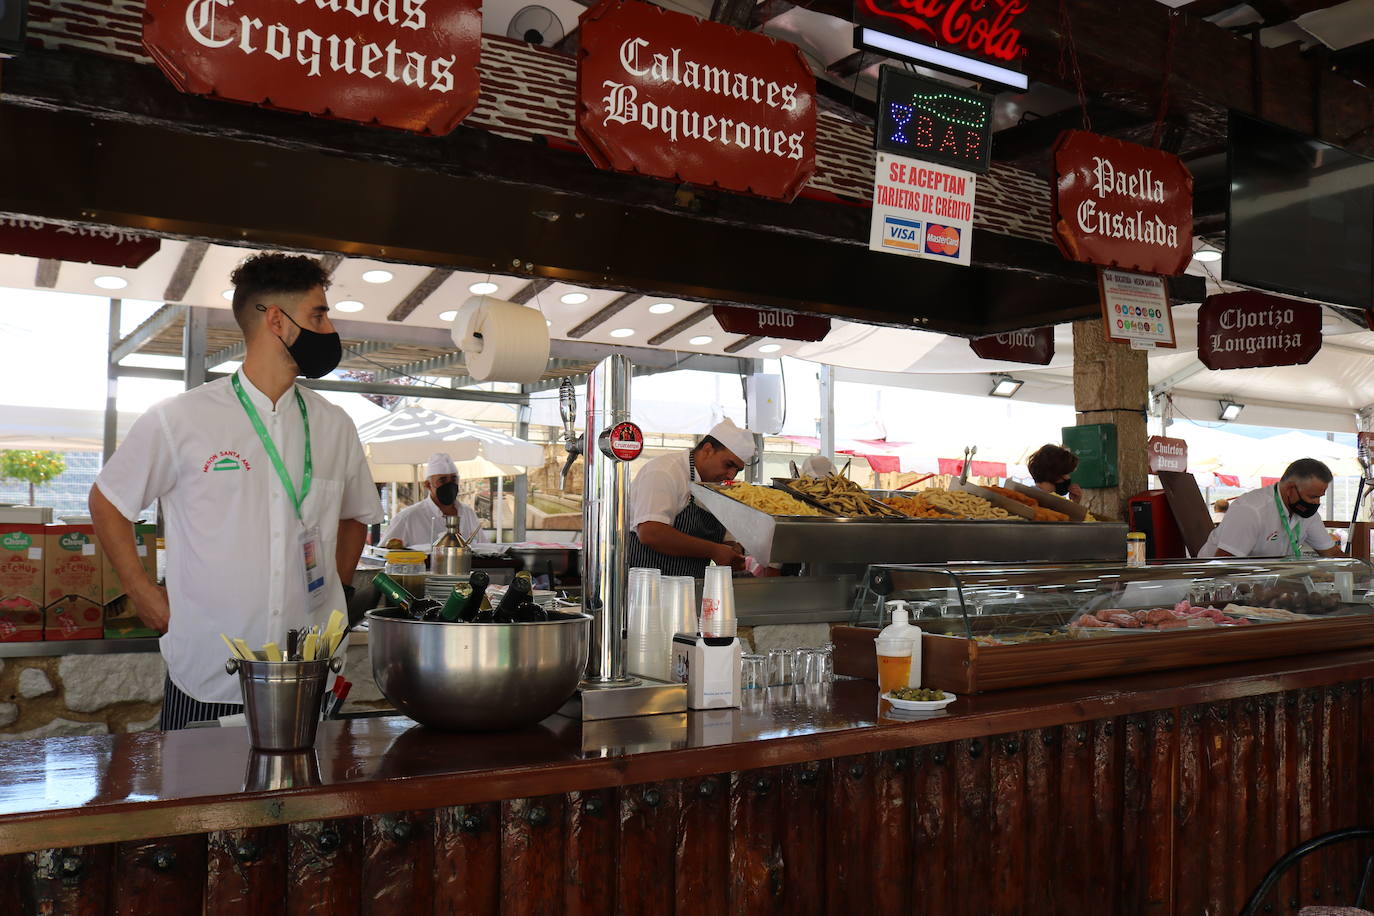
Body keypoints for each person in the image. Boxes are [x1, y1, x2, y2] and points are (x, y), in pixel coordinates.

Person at [90, 253, 384, 730]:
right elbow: (108, 500)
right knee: (197, 803)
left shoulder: (335, 424)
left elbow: (356, 516)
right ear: (275, 319)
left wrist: (335, 589)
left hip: (310, 670)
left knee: (311, 799)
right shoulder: (180, 418)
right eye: (318, 314)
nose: (329, 328)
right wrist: (140, 589)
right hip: (209, 666)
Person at [627, 418, 758, 576]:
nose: (731, 474)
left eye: (737, 469)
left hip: (691, 589)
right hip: (649, 588)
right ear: (708, 449)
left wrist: (733, 550)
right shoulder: (665, 471)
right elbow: (651, 533)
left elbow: (726, 539)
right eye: (728, 464)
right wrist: (715, 551)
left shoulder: (717, 487)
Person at [1199, 458, 1343, 558]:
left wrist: (1360, 573)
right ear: (1290, 489)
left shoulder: (1307, 515)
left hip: (1267, 586)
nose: (1316, 503)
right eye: (1312, 497)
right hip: (1217, 588)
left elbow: (1332, 554)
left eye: (1320, 497)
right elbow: (1224, 565)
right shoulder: (1250, 511)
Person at [381, 452, 489, 548]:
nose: (449, 484)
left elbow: (484, 547)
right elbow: (384, 553)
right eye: (442, 480)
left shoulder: (467, 512)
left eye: (454, 479)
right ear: (428, 485)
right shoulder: (408, 517)